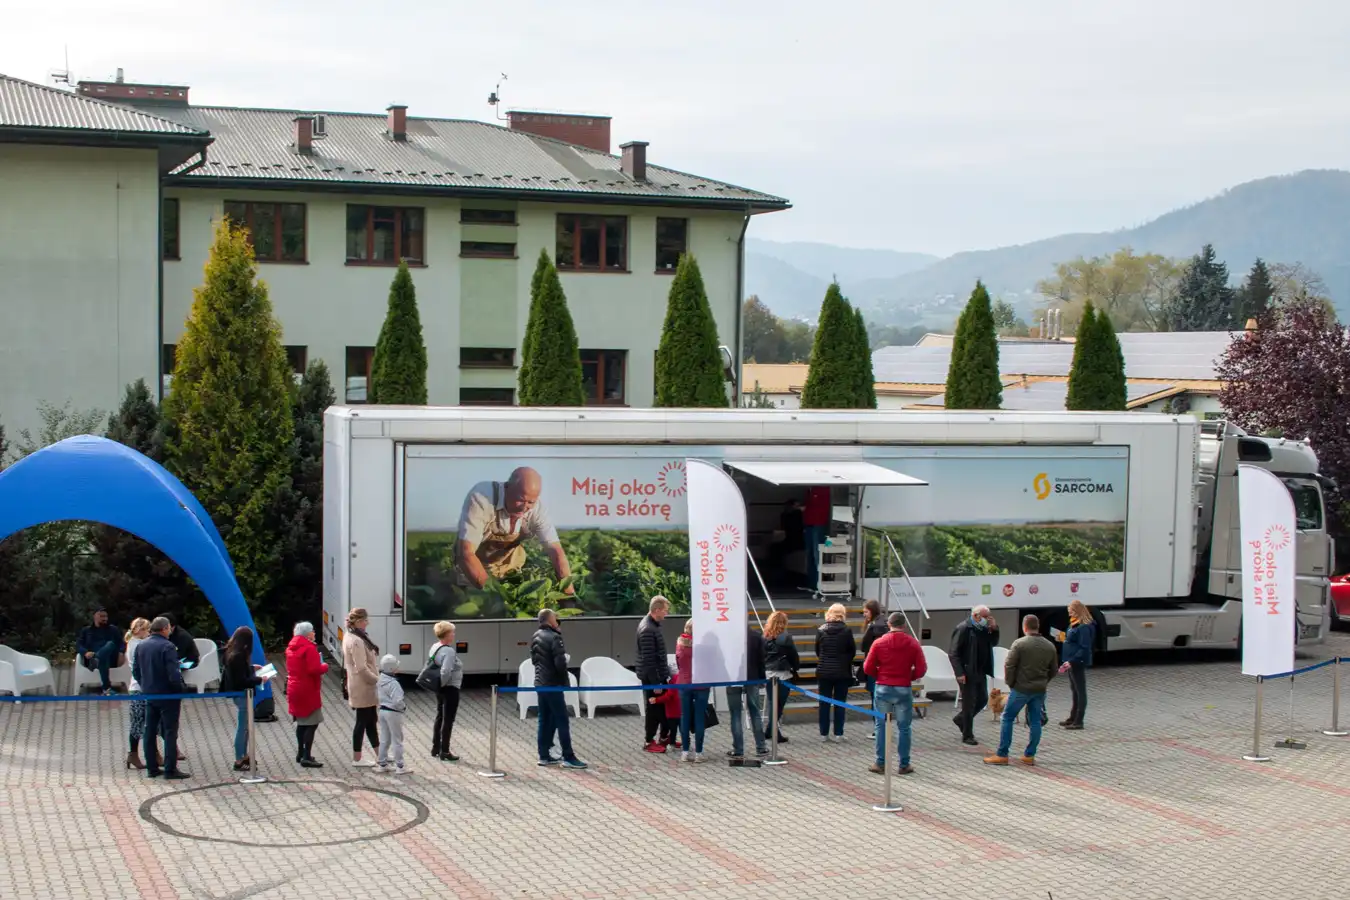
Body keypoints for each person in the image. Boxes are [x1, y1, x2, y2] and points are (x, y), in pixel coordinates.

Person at [455, 467, 573, 594]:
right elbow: (466, 553)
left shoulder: (538, 510)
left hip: (509, 568)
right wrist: (495, 594)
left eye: (531, 502)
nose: (524, 507)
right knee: (476, 600)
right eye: (520, 500)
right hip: (474, 567)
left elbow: (556, 551)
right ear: (506, 488)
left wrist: (569, 595)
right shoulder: (482, 497)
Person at [985, 614, 1059, 766]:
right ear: (1037, 626)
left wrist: (1011, 683)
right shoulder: (1049, 646)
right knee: (1035, 721)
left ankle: (1002, 754)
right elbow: (1053, 669)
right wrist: (1044, 682)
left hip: (1021, 688)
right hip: (1039, 689)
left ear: (1024, 627)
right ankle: (1029, 755)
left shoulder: (1019, 644)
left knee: (1007, 717)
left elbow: (1009, 666)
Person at [864, 611, 927, 775]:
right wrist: (909, 676)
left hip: (883, 687)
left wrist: (880, 675)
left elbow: (867, 667)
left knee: (881, 725)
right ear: (904, 625)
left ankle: (880, 762)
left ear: (889, 624)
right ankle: (904, 764)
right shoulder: (913, 643)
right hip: (903, 687)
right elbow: (921, 669)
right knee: (904, 727)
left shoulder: (879, 642)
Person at [133, 616, 189, 780]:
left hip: (150, 694)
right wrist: (180, 689)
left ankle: (152, 768)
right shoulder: (168, 646)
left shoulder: (141, 645)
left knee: (150, 731)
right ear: (164, 629)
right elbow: (173, 674)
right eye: (169, 628)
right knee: (170, 731)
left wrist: (145, 685)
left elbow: (136, 670)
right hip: (168, 695)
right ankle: (170, 769)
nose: (170, 630)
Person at [531, 608, 587, 769]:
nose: (557, 620)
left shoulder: (536, 636)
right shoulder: (555, 637)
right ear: (550, 620)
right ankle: (568, 756)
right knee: (561, 719)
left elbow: (534, 660)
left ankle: (544, 755)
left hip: (540, 683)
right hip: (553, 685)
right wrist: (564, 682)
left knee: (544, 719)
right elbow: (560, 663)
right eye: (555, 618)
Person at [949, 604, 1000, 746]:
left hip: (980, 670)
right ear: (976, 616)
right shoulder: (964, 628)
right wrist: (959, 672)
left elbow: (993, 643)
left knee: (983, 699)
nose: (988, 619)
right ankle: (967, 735)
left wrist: (994, 629)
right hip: (967, 671)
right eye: (985, 617)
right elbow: (953, 653)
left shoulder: (984, 628)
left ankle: (961, 719)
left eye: (989, 617)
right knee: (969, 703)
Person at [219, 626, 263, 772]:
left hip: (238, 694)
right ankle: (239, 758)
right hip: (242, 694)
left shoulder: (230, 652)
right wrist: (260, 679)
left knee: (245, 728)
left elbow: (237, 673)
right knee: (243, 728)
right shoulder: (238, 656)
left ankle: (243, 756)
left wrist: (251, 668)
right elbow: (241, 680)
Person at [342, 608, 381, 767]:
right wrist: (378, 681)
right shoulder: (357, 640)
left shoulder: (351, 635)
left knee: (371, 720)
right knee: (362, 722)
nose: (367, 623)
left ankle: (380, 754)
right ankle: (357, 758)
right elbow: (362, 668)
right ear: (358, 622)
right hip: (363, 686)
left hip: (362, 685)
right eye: (365, 620)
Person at [286, 622, 327, 768]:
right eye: (312, 631)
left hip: (294, 688)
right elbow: (314, 669)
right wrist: (324, 666)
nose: (314, 633)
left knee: (301, 723)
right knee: (312, 723)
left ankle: (300, 753)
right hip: (307, 689)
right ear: (307, 634)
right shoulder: (309, 648)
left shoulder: (291, 647)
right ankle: (306, 756)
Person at [815, 602, 856, 742]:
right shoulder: (847, 631)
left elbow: (817, 651)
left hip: (824, 671)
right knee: (840, 703)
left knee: (824, 703)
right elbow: (852, 651)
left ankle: (823, 734)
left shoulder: (821, 630)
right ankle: (838, 734)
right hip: (842, 672)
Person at [636, 596, 673, 753]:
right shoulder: (648, 630)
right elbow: (649, 659)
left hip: (658, 675)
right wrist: (656, 683)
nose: (666, 613)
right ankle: (648, 740)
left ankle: (664, 737)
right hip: (652, 678)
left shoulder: (653, 626)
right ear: (657, 610)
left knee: (662, 708)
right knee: (653, 710)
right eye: (665, 610)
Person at [727, 623, 768, 759]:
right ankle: (761, 747)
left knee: (735, 714)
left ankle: (738, 749)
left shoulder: (729, 636)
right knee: (755, 712)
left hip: (733, 677)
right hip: (752, 677)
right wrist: (762, 678)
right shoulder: (756, 636)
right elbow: (761, 660)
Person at [762, 610, 799, 743]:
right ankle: (773, 732)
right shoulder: (786, 637)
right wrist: (796, 668)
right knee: (779, 705)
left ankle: (769, 731)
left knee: (772, 703)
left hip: (768, 673)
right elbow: (793, 655)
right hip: (782, 674)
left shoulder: (764, 636)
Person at [429, 620, 464, 761]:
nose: (454, 635)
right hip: (449, 688)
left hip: (439, 688)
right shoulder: (448, 651)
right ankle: (445, 750)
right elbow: (445, 671)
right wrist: (443, 685)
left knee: (440, 716)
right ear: (446, 634)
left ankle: (435, 747)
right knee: (448, 720)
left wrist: (439, 686)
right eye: (452, 632)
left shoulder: (435, 647)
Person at [675, 619, 708, 763]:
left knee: (684, 717)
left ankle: (685, 752)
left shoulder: (680, 644)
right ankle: (699, 753)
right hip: (701, 683)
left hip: (684, 683)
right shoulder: (705, 645)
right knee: (699, 717)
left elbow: (678, 664)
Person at [1060, 599, 1096, 730]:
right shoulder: (1074, 624)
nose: (1070, 614)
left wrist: (1072, 660)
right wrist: (1063, 638)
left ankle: (1079, 720)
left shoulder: (1084, 627)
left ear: (1078, 611)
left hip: (1077, 662)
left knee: (1080, 691)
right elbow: (1072, 639)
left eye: (1072, 611)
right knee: (1074, 690)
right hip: (1070, 661)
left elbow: (1084, 647)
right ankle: (1072, 717)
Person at [76, 607, 125, 694]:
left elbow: (122, 643)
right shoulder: (86, 631)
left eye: (106, 616)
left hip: (111, 660)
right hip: (91, 660)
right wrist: (85, 652)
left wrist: (121, 652)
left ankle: (97, 658)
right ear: (94, 616)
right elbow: (79, 645)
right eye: (102, 616)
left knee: (110, 644)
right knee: (103, 659)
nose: (105, 618)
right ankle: (106, 689)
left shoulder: (113, 629)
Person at [858, 599, 888, 737]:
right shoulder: (886, 623)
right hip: (886, 667)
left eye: (866, 612)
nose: (864, 614)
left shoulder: (874, 627)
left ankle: (879, 730)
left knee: (876, 699)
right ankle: (884, 728)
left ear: (872, 611)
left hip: (875, 668)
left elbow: (864, 646)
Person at [124, 618, 151, 770]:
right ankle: (133, 753)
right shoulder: (136, 645)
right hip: (139, 688)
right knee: (138, 721)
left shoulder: (137, 643)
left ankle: (152, 752)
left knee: (148, 721)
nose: (149, 633)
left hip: (140, 687)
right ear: (140, 630)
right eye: (147, 630)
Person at [376, 655, 410, 774]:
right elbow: (397, 701)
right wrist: (403, 707)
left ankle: (382, 764)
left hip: (382, 711)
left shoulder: (380, 680)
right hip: (393, 712)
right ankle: (400, 766)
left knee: (384, 739)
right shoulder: (394, 683)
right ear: (392, 668)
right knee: (397, 739)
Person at [802, 486, 831, 591]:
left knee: (817, 554)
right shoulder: (810, 489)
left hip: (819, 523)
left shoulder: (823, 488)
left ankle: (818, 583)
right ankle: (812, 583)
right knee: (810, 554)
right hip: (809, 523)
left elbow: (821, 506)